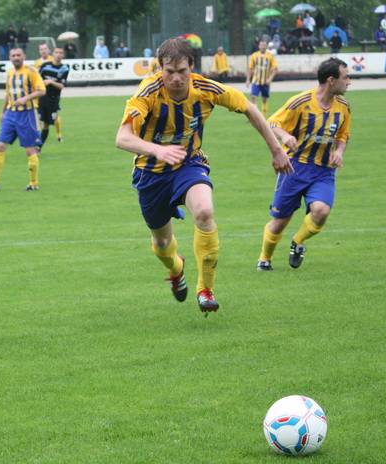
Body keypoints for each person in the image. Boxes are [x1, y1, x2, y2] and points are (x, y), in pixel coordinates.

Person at [115, 37, 292, 314]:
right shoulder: (148, 92)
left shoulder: (206, 89)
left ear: (192, 67)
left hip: (189, 164)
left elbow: (249, 108)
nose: (175, 78)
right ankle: (177, 268)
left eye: (182, 71)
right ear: (160, 68)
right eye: (169, 71)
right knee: (162, 244)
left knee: (205, 212)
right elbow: (122, 138)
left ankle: (205, 290)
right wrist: (157, 150)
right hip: (150, 174)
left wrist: (277, 150)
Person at [256, 58, 351, 272]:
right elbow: (272, 122)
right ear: (331, 80)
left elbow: (343, 135)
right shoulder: (301, 101)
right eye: (346, 77)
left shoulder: (343, 106)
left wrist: (339, 151)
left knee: (321, 211)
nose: (349, 82)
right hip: (293, 168)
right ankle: (264, 258)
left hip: (323, 171)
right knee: (280, 221)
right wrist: (285, 136)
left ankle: (298, 242)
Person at [0, 47, 45, 192]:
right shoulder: (10, 73)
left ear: (24, 56)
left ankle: (33, 183)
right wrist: (3, 112)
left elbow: (42, 90)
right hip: (10, 114)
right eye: (13, 55)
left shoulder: (31, 71)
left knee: (30, 150)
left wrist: (25, 99)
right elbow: (8, 94)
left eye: (18, 55)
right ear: (10, 58)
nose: (16, 57)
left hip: (27, 114)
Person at [38, 46, 70, 146]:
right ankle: (37, 145)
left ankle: (39, 145)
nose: (58, 55)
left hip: (53, 100)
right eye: (56, 52)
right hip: (42, 97)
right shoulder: (45, 66)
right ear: (53, 54)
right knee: (38, 121)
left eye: (61, 53)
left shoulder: (64, 69)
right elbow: (37, 80)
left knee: (46, 125)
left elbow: (61, 86)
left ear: (63, 55)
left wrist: (51, 82)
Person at [247, 39, 278, 116]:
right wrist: (248, 80)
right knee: (253, 97)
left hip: (265, 82)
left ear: (266, 46)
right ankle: (255, 115)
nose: (263, 47)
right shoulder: (254, 55)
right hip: (256, 81)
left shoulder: (270, 56)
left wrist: (270, 79)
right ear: (259, 46)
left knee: (264, 99)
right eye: (261, 45)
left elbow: (275, 69)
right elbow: (250, 68)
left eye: (264, 45)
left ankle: (263, 116)